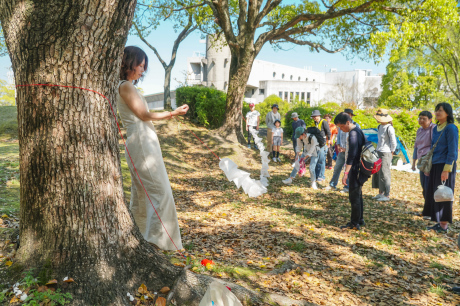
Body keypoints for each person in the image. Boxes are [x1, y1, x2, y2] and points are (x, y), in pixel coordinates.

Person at [117, 46, 189, 250]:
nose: (142, 70)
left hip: (145, 140)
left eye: (144, 67)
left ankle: (143, 239)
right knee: (159, 192)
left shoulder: (128, 86)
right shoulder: (125, 86)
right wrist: (173, 114)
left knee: (144, 193)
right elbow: (144, 115)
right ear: (128, 63)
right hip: (140, 141)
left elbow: (143, 114)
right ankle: (158, 242)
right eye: (139, 65)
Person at [425, 102, 458, 233]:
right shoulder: (436, 128)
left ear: (448, 113)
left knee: (444, 193)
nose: (437, 112)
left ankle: (444, 225)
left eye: (441, 110)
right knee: (436, 194)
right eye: (436, 110)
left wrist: (446, 169)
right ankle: (438, 222)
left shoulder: (451, 128)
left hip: (445, 165)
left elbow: (453, 151)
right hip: (435, 164)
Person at [334, 113, 367, 230]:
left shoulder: (353, 133)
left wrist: (346, 173)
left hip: (355, 167)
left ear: (348, 122)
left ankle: (354, 223)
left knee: (354, 196)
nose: (342, 130)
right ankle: (360, 219)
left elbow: (352, 155)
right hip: (359, 166)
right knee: (358, 193)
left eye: (342, 127)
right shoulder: (358, 130)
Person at [325, 109, 360, 192]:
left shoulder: (355, 126)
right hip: (341, 150)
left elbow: (355, 142)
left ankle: (347, 187)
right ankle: (333, 184)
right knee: (337, 167)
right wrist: (338, 145)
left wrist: (346, 149)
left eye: (348, 114)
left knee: (348, 169)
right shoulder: (341, 124)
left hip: (350, 151)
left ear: (351, 115)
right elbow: (339, 136)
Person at [412, 111, 435, 219]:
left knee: (428, 186)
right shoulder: (419, 130)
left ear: (430, 120)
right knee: (424, 187)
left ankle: (431, 212)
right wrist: (413, 162)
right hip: (421, 161)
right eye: (420, 118)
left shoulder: (433, 129)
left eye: (424, 119)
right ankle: (427, 210)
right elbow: (416, 146)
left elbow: (434, 145)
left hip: (429, 161)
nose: (421, 120)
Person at [371, 108, 397, 202]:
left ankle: (387, 194)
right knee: (378, 172)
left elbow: (393, 141)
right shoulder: (379, 127)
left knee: (385, 173)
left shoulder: (389, 127)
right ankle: (380, 192)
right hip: (379, 151)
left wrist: (392, 151)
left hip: (386, 152)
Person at [311, 110, 331, 182]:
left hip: (323, 143)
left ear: (318, 116)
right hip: (316, 143)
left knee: (321, 160)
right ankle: (316, 175)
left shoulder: (324, 122)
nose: (314, 118)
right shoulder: (314, 123)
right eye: (313, 117)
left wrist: (328, 142)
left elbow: (328, 132)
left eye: (315, 117)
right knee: (316, 159)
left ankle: (321, 176)